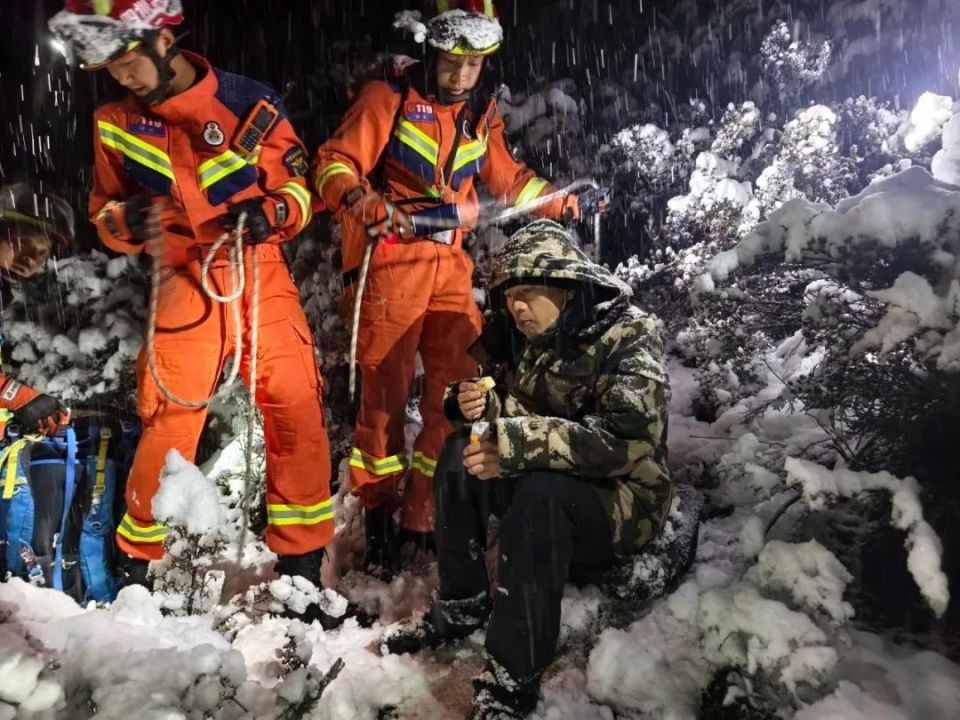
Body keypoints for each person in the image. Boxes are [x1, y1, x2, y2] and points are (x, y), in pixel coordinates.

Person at [48, 1, 340, 622]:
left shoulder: (249, 102)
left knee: (296, 409)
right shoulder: (114, 122)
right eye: (109, 69)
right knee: (170, 420)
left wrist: (275, 214)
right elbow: (104, 211)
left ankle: (301, 574)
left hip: (258, 268)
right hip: (182, 276)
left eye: (127, 63)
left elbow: (296, 188)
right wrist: (128, 221)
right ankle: (134, 575)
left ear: (163, 39)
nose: (120, 78)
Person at [311, 0, 606, 573]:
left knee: (461, 393)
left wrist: (566, 198)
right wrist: (359, 200)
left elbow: (508, 180)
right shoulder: (387, 99)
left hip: (451, 269)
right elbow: (333, 163)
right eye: (452, 63)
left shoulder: (479, 114)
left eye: (474, 66)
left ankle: (422, 516)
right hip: (390, 265)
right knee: (384, 405)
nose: (461, 76)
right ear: (432, 50)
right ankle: (378, 520)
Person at [383, 220, 673, 719]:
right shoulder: (519, 338)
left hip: (620, 501)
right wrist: (471, 405)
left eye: (530, 291)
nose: (516, 306)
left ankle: (513, 678)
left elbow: (627, 440)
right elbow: (501, 406)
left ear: (566, 284)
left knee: (540, 492)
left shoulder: (627, 335)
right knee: (457, 452)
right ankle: (463, 602)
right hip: (553, 481)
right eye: (511, 294)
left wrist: (515, 443)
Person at [0, 182, 74, 436]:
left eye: (41, 253)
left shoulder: (15, 299)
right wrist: (20, 396)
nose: (30, 259)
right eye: (23, 244)